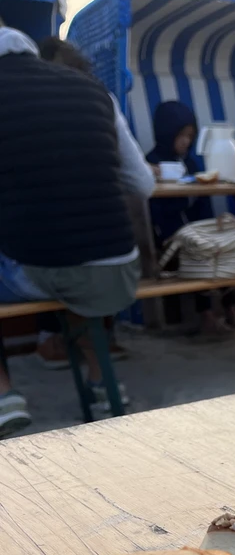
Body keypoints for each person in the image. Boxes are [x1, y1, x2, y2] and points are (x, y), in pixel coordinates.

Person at [0, 26, 142, 434]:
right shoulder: (95, 91)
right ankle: (101, 384)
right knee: (77, 262)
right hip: (119, 270)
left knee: (52, 256)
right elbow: (143, 186)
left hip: (41, 270)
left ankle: (5, 395)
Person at [34, 36, 155, 369]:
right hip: (118, 265)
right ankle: (96, 354)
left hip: (51, 260)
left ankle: (27, 367)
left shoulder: (25, 106)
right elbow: (144, 184)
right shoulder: (103, 100)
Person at [146, 101, 235, 335]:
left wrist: (210, 227)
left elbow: (202, 204)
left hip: (194, 231)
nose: (185, 141)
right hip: (169, 237)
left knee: (221, 245)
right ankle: (207, 315)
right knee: (199, 251)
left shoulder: (191, 163)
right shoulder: (151, 164)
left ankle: (231, 309)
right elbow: (156, 213)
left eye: (189, 136)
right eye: (180, 135)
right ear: (166, 133)